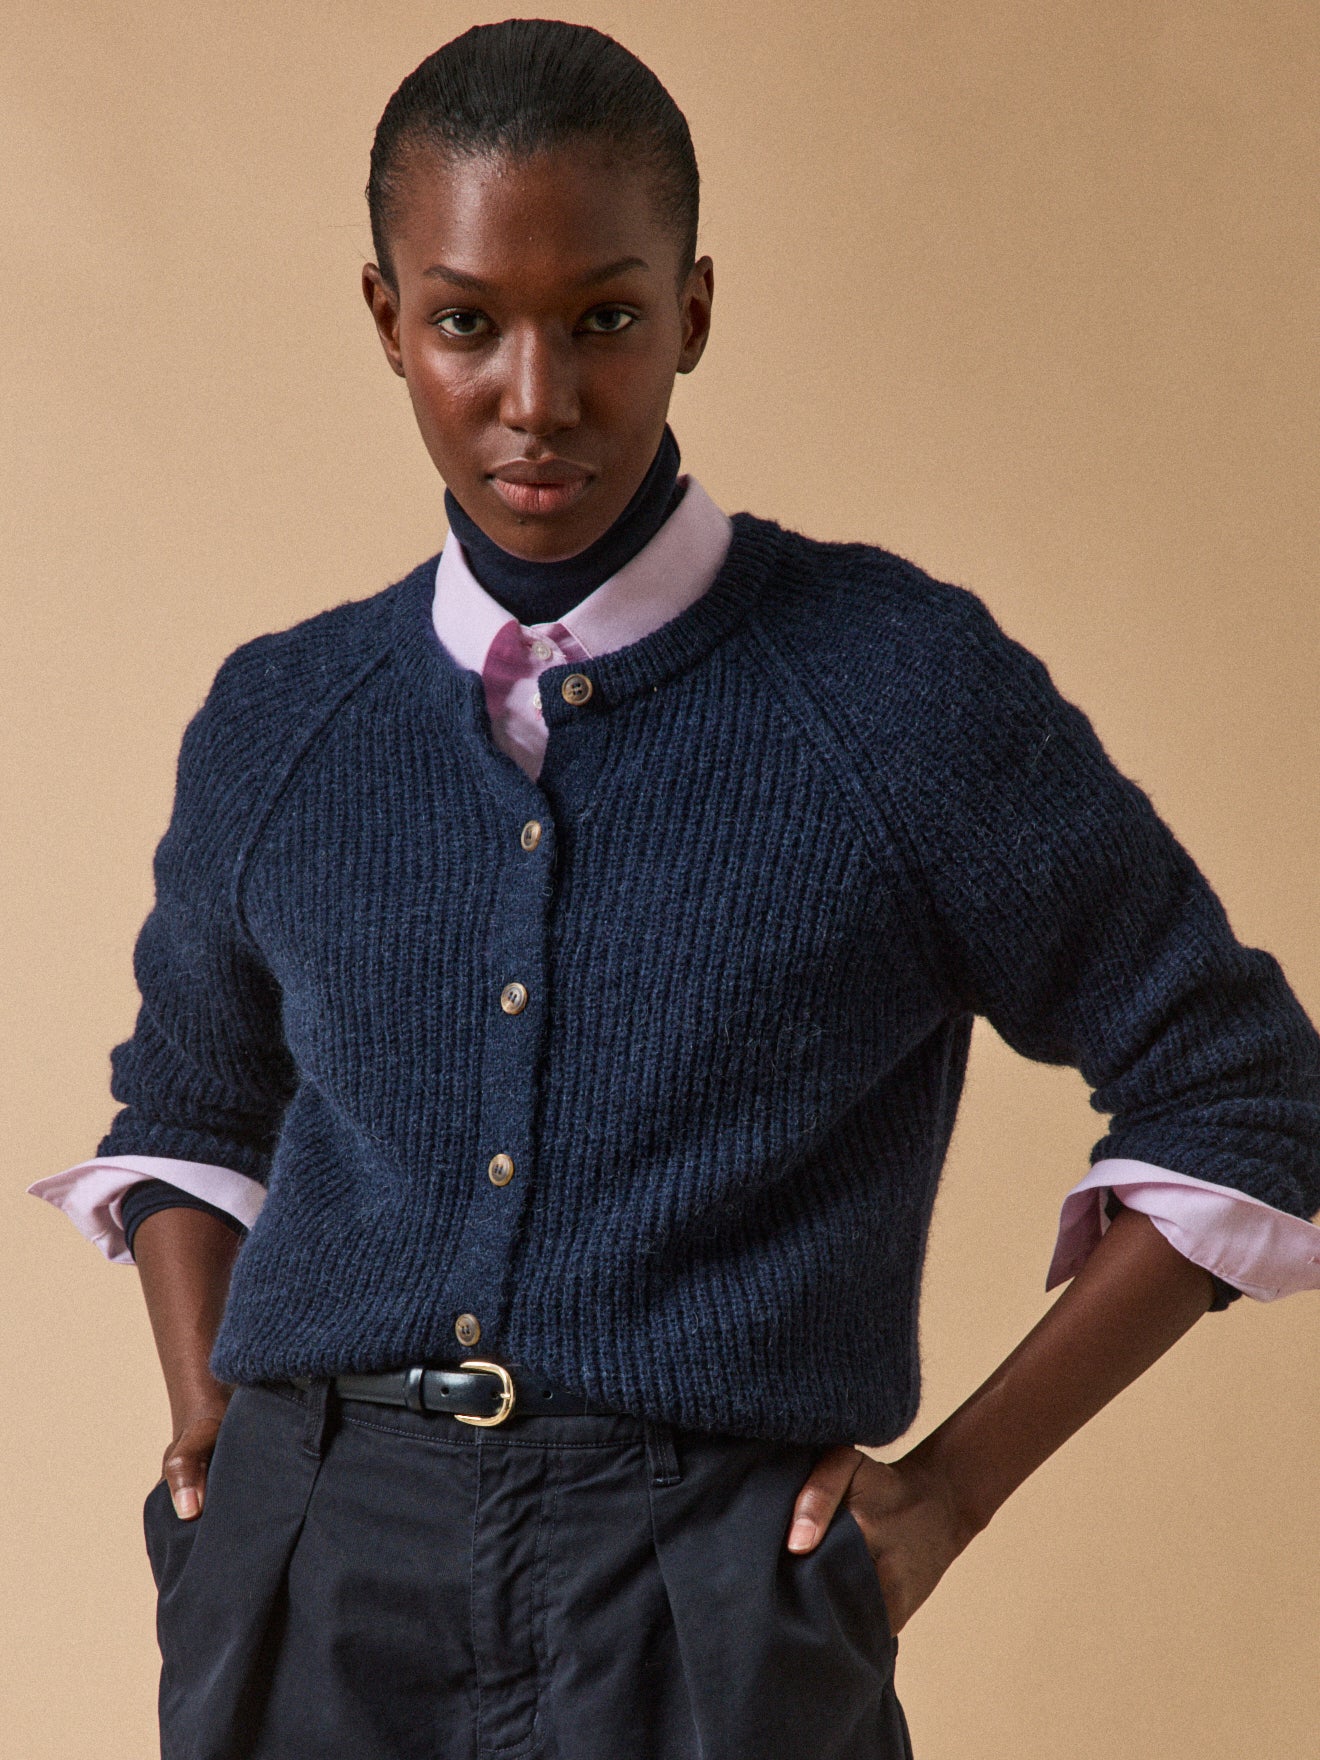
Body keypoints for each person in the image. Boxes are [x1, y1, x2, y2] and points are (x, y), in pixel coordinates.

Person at [30, 19, 1320, 1760]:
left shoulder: (896, 691)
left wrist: (951, 1495)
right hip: (316, 1566)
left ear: (694, 312)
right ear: (387, 318)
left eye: (605, 318)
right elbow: (190, 1105)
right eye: (467, 322)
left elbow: (1246, 1095)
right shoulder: (281, 718)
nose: (537, 398)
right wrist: (212, 1444)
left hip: (705, 1586)